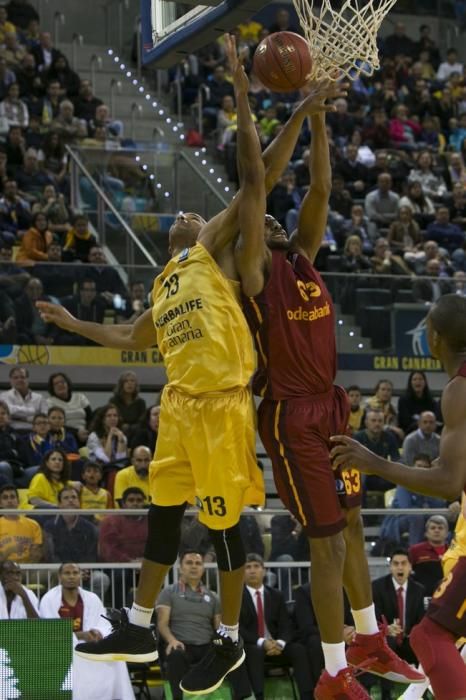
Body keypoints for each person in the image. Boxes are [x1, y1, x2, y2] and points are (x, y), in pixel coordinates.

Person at [36, 35, 267, 695]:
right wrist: (74, 324)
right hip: (180, 408)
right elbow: (124, 334)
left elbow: (253, 181)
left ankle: (228, 637)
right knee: (163, 515)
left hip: (223, 403)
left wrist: (243, 95)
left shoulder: (210, 254)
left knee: (222, 527)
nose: (188, 215)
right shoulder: (164, 284)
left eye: (196, 213)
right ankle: (138, 622)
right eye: (184, 215)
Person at [236, 78, 423, 699]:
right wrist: (276, 108)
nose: (275, 221)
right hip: (292, 416)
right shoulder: (259, 275)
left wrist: (318, 118)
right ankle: (333, 671)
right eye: (263, 224)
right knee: (322, 544)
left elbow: (319, 188)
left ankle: (369, 638)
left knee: (350, 525)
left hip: (333, 406)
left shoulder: (304, 258)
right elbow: (257, 186)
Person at [330, 293, 466, 700]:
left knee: (430, 637)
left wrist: (373, 463)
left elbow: (448, 481)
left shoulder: (459, 389)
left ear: (433, 337)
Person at [39, 562, 135, 700]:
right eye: (67, 573)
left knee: (115, 655)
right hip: (60, 646)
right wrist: (80, 635)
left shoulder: (92, 598)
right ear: (60, 576)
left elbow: (104, 624)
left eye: (75, 573)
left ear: (81, 576)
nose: (71, 576)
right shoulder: (49, 599)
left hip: (89, 643)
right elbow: (49, 631)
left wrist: (97, 632)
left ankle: (114, 696)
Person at [230, 553, 313, 700]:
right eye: (247, 567)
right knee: (255, 651)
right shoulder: (236, 596)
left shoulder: (276, 595)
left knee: (299, 649)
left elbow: (286, 625)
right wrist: (263, 642)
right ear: (242, 573)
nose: (252, 570)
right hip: (253, 644)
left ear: (264, 571)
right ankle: (259, 695)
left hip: (276, 643)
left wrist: (280, 643)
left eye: (256, 566)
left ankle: (307, 695)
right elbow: (238, 628)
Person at [156, 550, 221, 700]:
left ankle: (243, 696)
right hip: (181, 644)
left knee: (232, 654)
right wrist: (172, 640)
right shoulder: (168, 592)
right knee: (176, 655)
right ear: (180, 567)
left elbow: (218, 629)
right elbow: (162, 624)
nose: (194, 567)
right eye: (189, 563)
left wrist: (222, 646)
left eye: (198, 563)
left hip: (207, 646)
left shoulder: (213, 596)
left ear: (203, 568)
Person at [371, 549, 426, 700]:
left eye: (403, 564)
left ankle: (422, 693)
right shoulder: (377, 587)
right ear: (390, 567)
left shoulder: (418, 590)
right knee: (387, 644)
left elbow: (421, 620)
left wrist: (415, 633)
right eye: (396, 564)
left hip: (409, 640)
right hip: (387, 639)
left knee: (426, 645)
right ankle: (386, 695)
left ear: (410, 567)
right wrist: (386, 629)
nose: (400, 568)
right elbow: (373, 618)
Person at [408, 515, 450, 597]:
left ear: (447, 533)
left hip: (448, 598)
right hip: (422, 597)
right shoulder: (415, 551)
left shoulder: (454, 552)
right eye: (433, 528)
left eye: (440, 528)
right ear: (426, 533)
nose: (437, 530)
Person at [46, 372, 92, 445]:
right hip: (65, 434)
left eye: (62, 382)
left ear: (68, 384)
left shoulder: (80, 397)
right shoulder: (50, 402)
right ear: (52, 388)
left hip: (85, 432)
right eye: (56, 383)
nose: (60, 384)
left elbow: (91, 418)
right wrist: (76, 432)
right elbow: (53, 424)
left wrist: (88, 431)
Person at [0, 483, 42, 562]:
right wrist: (9, 551)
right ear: (0, 503)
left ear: (18, 501)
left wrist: (35, 554)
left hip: (28, 569)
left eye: (12, 497)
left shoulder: (33, 524)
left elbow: (37, 556)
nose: (9, 501)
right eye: (5, 498)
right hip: (3, 570)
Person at [0, 365, 48, 432]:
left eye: (22, 377)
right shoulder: (3, 396)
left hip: (35, 432)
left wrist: (17, 417)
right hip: (12, 432)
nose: (19, 380)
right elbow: (10, 410)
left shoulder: (40, 398)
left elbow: (44, 418)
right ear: (11, 381)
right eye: (16, 378)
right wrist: (33, 411)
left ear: (27, 379)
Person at [397, 371, 440, 436]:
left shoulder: (431, 401)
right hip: (409, 433)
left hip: (430, 432)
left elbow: (436, 419)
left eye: (420, 379)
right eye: (415, 379)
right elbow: (405, 421)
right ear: (410, 383)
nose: (418, 382)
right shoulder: (403, 400)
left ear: (425, 382)